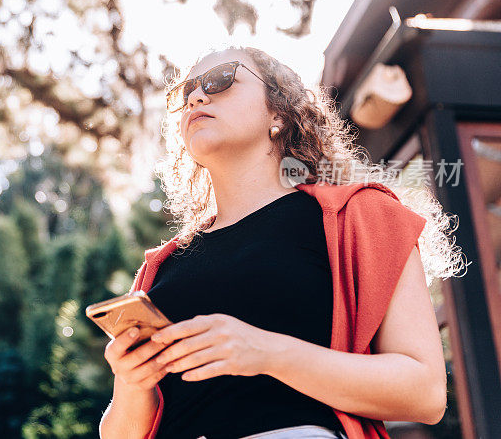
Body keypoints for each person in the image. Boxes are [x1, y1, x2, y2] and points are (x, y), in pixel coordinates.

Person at [98, 45, 466, 439]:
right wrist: (130, 383)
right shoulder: (159, 269)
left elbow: (425, 393)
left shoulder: (358, 216)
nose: (197, 97)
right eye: (186, 94)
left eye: (220, 80)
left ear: (278, 112)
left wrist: (265, 352)